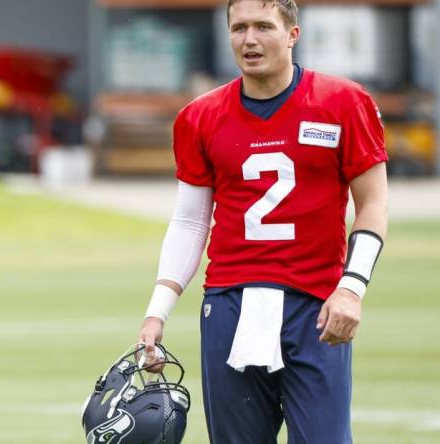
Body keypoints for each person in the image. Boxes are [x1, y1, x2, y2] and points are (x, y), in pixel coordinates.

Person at [137, 0, 388, 442]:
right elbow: (191, 222)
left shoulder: (343, 102)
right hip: (230, 305)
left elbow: (373, 204)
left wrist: (352, 288)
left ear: (293, 34)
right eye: (239, 28)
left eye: (263, 27)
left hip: (315, 306)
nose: (249, 39)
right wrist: (157, 312)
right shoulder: (200, 117)